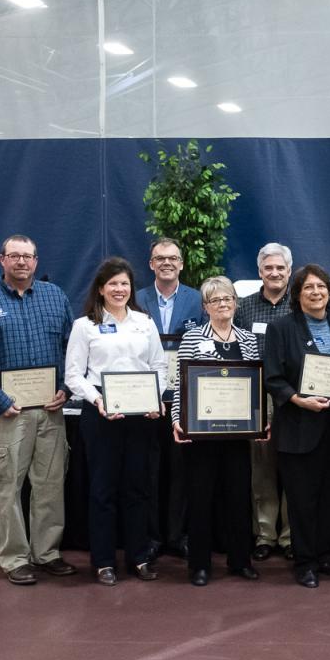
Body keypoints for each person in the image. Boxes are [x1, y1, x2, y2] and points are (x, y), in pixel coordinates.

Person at [0, 234, 76, 585]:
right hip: (6, 411)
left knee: (50, 483)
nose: (22, 262)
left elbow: (73, 349)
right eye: (15, 256)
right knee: (7, 485)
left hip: (51, 409)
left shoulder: (55, 297)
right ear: (2, 260)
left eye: (28, 256)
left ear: (37, 261)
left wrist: (66, 389)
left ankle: (47, 552)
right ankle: (14, 558)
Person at [65, 257, 167, 586]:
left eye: (124, 283)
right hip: (101, 415)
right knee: (102, 490)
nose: (119, 289)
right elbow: (73, 376)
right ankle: (104, 561)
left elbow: (159, 366)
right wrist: (97, 399)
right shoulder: (85, 326)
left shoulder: (144, 322)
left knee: (138, 489)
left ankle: (138, 557)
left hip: (140, 415)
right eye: (113, 284)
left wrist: (156, 399)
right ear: (100, 289)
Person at [263, 264, 330, 588]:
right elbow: (273, 378)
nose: (316, 292)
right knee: (302, 498)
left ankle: (322, 556)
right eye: (308, 288)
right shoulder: (281, 328)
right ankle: (304, 561)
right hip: (299, 428)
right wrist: (297, 399)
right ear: (297, 293)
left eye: (321, 287)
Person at [170, 276, 262, 586]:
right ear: (205, 307)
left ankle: (240, 561)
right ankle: (199, 565)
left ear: (236, 303)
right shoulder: (193, 337)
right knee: (200, 498)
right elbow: (181, 383)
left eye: (228, 299)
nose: (223, 304)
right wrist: (176, 420)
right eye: (215, 300)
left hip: (238, 434)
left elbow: (256, 386)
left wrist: (261, 421)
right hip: (202, 434)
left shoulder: (248, 339)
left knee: (238, 497)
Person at [135, 237, 204, 560]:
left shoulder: (196, 300)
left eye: (173, 258)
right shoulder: (135, 300)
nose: (167, 263)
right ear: (151, 264)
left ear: (181, 264)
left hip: (184, 399)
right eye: (160, 258)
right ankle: (151, 537)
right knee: (148, 471)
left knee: (181, 472)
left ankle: (178, 536)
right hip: (144, 401)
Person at [235, 242, 293, 562]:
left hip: (291, 395)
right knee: (262, 469)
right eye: (268, 268)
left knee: (293, 467)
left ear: (289, 272)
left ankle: (290, 537)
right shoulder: (244, 308)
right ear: (260, 272)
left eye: (280, 268)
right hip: (257, 396)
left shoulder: (298, 305)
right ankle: (265, 534)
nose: (274, 273)